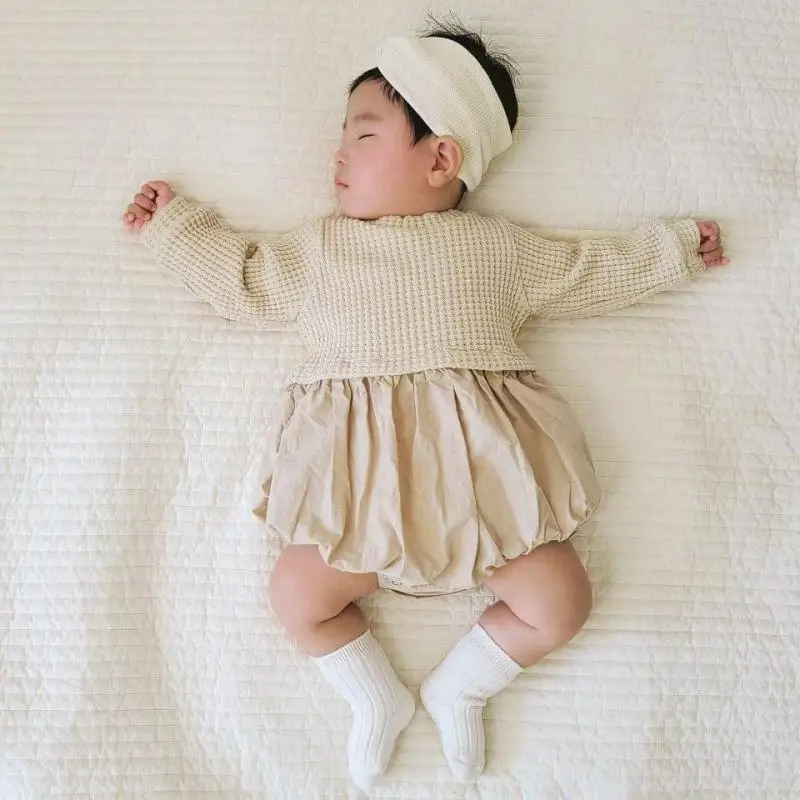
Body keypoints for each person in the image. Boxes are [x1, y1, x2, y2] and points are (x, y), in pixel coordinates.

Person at [122, 20, 728, 793]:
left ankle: (463, 685)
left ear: (441, 158)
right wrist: (176, 229)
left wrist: (674, 251)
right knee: (296, 594)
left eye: (364, 135)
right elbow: (246, 279)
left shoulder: (496, 250)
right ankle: (373, 694)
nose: (338, 155)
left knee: (561, 600)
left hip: (484, 498)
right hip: (360, 503)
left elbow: (587, 270)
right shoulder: (320, 251)